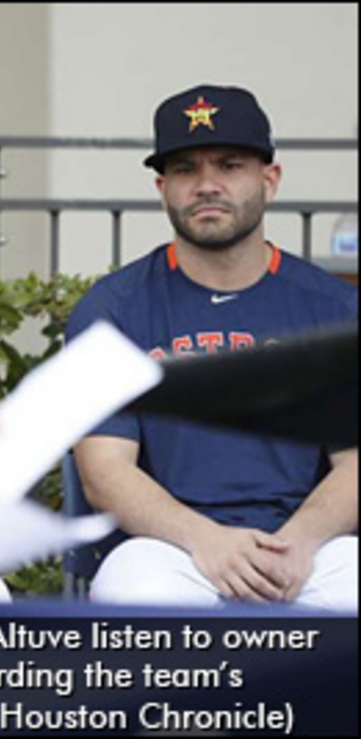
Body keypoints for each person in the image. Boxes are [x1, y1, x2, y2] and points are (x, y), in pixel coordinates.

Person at [66, 84, 358, 610]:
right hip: (170, 549)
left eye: (228, 165)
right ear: (162, 187)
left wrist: (297, 544)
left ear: (270, 179)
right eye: (185, 169)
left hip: (310, 546)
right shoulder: (115, 308)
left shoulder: (334, 307)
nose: (206, 185)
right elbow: (105, 473)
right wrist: (208, 541)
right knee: (136, 591)